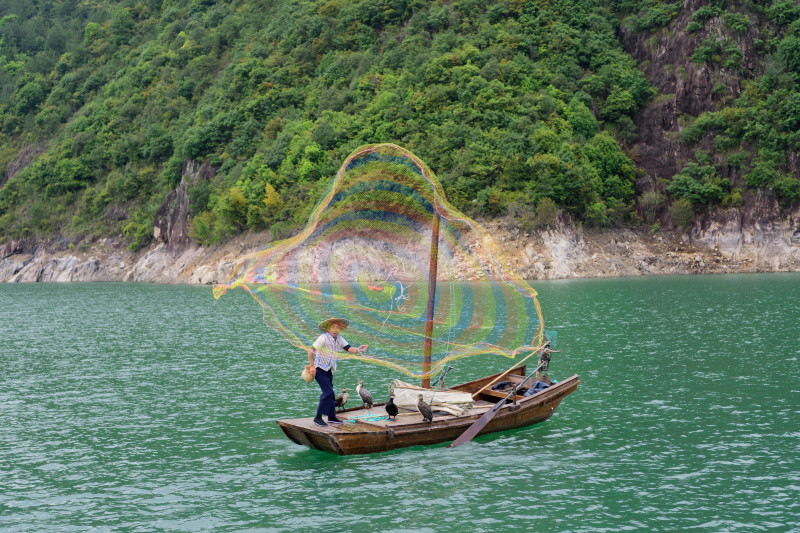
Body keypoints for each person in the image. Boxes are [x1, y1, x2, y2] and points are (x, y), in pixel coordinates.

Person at [307, 317, 367, 426]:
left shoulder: (340, 339)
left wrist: (359, 349)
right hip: (319, 369)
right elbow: (311, 351)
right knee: (327, 393)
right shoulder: (323, 338)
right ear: (328, 328)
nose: (335, 329)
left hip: (329, 370)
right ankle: (317, 417)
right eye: (333, 327)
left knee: (331, 394)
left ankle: (332, 417)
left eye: (338, 328)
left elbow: (349, 348)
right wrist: (312, 367)